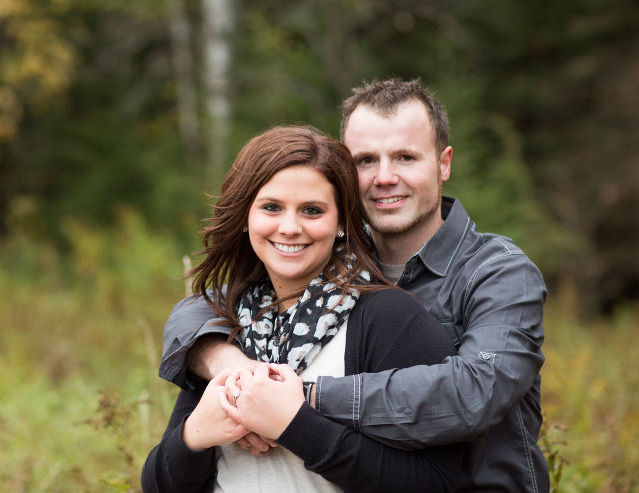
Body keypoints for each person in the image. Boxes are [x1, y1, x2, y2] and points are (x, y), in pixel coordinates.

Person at [158, 78, 549, 492]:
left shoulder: (498, 272)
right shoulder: (324, 264)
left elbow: (474, 392)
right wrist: (227, 364)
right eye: (365, 160)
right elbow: (203, 308)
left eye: (405, 157)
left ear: (443, 163)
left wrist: (299, 399)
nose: (384, 177)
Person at [141, 125, 465, 492]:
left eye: (312, 210)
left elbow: (436, 482)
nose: (290, 227)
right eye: (272, 207)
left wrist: (294, 426)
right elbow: (157, 485)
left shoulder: (390, 319)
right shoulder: (227, 323)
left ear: (341, 222)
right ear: (246, 217)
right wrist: (194, 435)